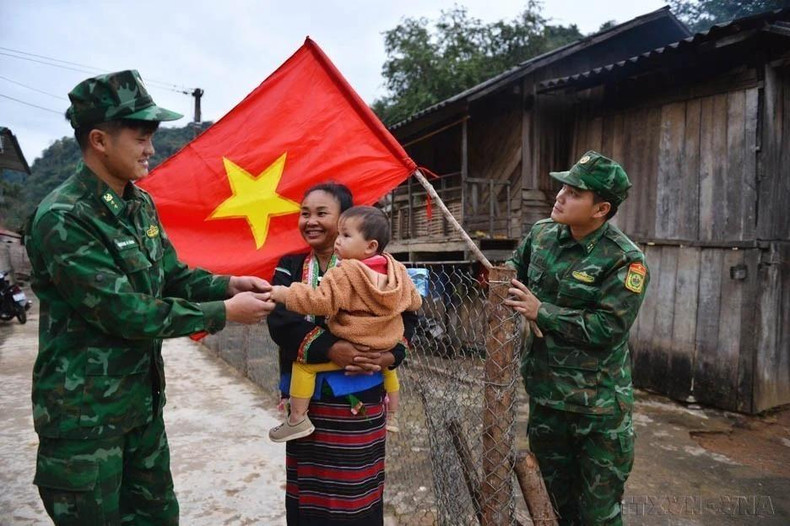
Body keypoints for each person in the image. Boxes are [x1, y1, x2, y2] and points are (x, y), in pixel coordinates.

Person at [24, 70, 275, 525]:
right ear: (99, 140)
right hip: (86, 423)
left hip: (140, 410)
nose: (151, 150)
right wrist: (223, 313)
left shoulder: (139, 204)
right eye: (141, 138)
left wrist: (228, 284)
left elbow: (170, 275)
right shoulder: (62, 218)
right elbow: (124, 311)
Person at [505, 151, 649, 525]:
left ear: (601, 208)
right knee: (554, 507)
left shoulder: (623, 259)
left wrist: (543, 312)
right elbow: (511, 270)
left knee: (598, 515)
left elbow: (608, 328)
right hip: (547, 400)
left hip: (597, 411)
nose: (560, 196)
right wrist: (500, 278)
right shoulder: (542, 235)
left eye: (574, 192)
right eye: (563, 187)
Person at [267, 183, 417, 525]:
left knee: (356, 487)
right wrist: (334, 348)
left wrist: (389, 356)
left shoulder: (384, 269)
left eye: (322, 213)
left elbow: (409, 316)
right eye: (305, 213)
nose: (311, 221)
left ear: (344, 221)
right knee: (310, 487)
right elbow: (280, 320)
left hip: (360, 394)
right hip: (308, 403)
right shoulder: (290, 265)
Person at [268, 205, 422, 441]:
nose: (339, 241)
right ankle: (393, 415)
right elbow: (414, 303)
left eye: (345, 235)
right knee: (389, 371)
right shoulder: (398, 271)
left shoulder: (344, 272)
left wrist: (285, 294)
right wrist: (388, 351)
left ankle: (297, 418)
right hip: (381, 348)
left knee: (303, 367)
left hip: (354, 352)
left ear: (370, 245)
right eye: (305, 213)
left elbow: (320, 302)